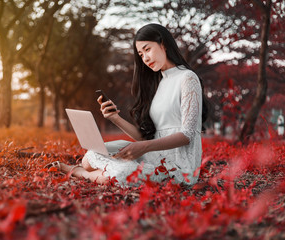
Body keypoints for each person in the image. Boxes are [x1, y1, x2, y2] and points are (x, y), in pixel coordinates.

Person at [47, 23, 208, 187]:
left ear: (164, 44)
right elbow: (147, 137)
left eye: (147, 49)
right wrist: (114, 118)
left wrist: (144, 147)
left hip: (178, 168)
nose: (144, 58)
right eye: (140, 54)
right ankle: (93, 169)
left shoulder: (187, 78)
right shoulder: (159, 84)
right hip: (151, 155)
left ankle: (78, 171)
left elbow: (187, 135)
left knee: (123, 174)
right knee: (90, 156)